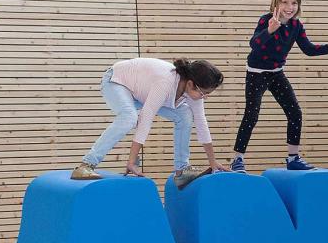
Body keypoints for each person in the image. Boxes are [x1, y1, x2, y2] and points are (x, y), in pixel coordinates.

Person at [231, 0, 328, 173]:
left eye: (294, 3)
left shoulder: (296, 26)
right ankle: (237, 159)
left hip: (276, 73)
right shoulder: (266, 20)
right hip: (256, 73)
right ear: (276, 2)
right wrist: (270, 30)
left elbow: (308, 49)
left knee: (295, 112)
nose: (289, 7)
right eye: (285, 2)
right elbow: (254, 44)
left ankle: (293, 158)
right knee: (252, 114)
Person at [71, 57, 226, 188]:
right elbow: (146, 117)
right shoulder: (166, 82)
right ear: (191, 83)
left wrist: (213, 163)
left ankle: (182, 171)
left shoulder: (192, 91)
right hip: (117, 81)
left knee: (185, 115)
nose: (205, 97)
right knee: (129, 117)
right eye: (204, 93)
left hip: (140, 93)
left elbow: (201, 123)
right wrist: (132, 162)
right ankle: (86, 164)